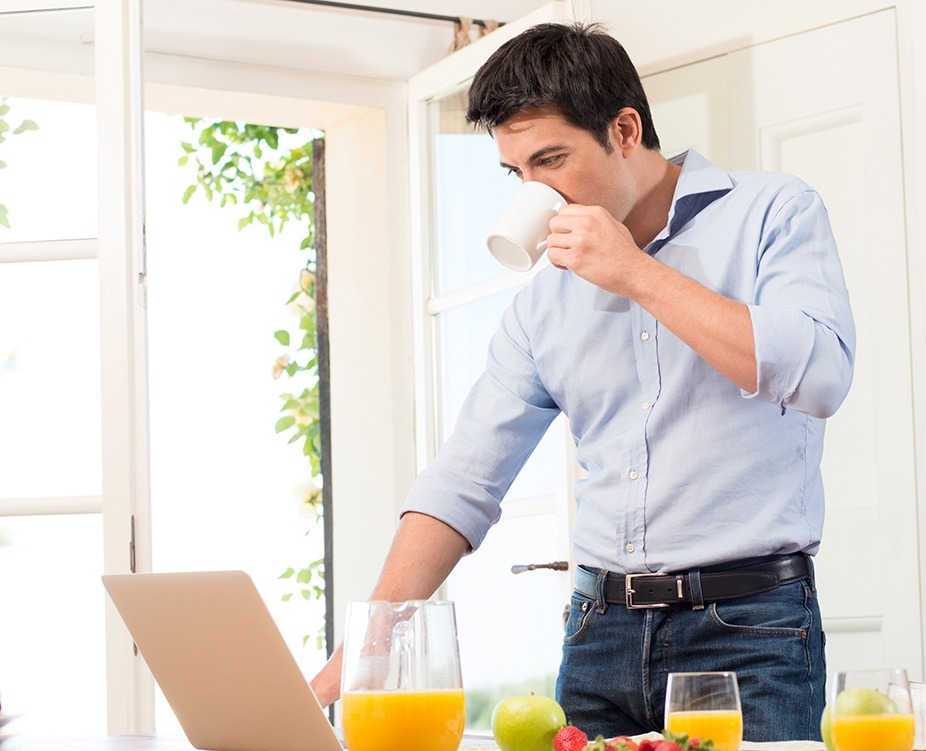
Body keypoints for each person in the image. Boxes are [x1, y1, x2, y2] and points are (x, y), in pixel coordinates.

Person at [311, 21, 855, 741]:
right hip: (597, 634)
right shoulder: (542, 301)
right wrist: (356, 656)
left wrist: (634, 270)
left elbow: (818, 373)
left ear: (624, 130)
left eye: (551, 159)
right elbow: (462, 481)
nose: (536, 191)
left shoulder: (771, 212)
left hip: (748, 631)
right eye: (517, 173)